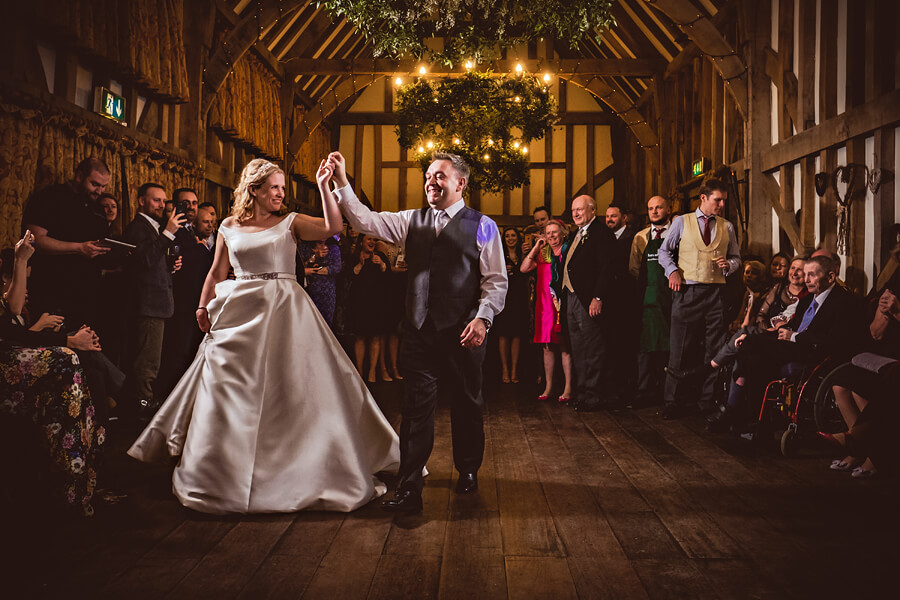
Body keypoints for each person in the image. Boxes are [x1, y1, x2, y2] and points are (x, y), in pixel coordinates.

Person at [128, 158, 399, 515]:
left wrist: (323, 185)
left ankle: (294, 469)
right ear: (253, 189)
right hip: (239, 312)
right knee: (226, 389)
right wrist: (201, 307)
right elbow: (215, 273)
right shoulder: (228, 226)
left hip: (286, 312)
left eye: (283, 189)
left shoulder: (290, 222)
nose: (280, 194)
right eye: (275, 187)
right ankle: (221, 472)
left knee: (291, 389)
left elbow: (334, 225)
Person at [329, 150, 507, 514]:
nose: (431, 181)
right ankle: (410, 485)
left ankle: (468, 469)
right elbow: (364, 221)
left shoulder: (484, 225)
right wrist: (342, 181)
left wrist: (483, 318)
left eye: (440, 176)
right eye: (428, 175)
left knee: (467, 403)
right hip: (419, 330)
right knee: (415, 410)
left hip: (463, 332)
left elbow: (496, 281)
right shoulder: (412, 220)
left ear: (460, 183)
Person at [658, 177, 742, 419]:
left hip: (716, 293)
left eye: (724, 200)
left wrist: (730, 266)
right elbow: (664, 252)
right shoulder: (681, 222)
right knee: (680, 348)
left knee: (714, 351)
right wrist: (672, 271)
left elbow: (736, 257)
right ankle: (673, 400)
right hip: (687, 293)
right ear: (703, 198)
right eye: (718, 200)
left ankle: (707, 400)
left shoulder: (726, 226)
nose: (722, 205)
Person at [22, 156, 111, 331]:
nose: (99, 191)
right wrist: (79, 248)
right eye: (94, 184)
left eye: (103, 186)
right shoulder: (50, 197)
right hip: (52, 288)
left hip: (86, 293)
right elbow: (34, 240)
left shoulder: (97, 208)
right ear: (79, 176)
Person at [121, 183, 185, 421]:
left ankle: (143, 404)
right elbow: (145, 258)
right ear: (141, 201)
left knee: (151, 362)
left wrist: (170, 267)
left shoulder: (153, 229)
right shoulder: (138, 228)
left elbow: (151, 262)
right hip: (146, 305)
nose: (161, 205)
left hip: (157, 304)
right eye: (156, 200)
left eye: (163, 200)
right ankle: (142, 410)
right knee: (145, 364)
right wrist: (168, 233)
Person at [561, 195, 618, 411]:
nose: (575, 214)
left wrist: (598, 297)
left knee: (593, 348)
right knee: (578, 348)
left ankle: (595, 395)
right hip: (572, 298)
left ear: (593, 210)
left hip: (588, 300)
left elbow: (607, 268)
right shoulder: (577, 234)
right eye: (574, 210)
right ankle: (583, 392)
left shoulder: (601, 234)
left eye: (580, 210)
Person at [629, 195, 673, 407]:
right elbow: (634, 270)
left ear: (668, 209)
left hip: (672, 299)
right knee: (645, 347)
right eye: (650, 208)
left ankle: (668, 392)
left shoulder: (679, 234)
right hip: (648, 300)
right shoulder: (640, 238)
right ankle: (645, 390)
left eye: (659, 208)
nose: (654, 212)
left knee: (670, 347)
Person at [521, 219, 572, 402]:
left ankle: (568, 388)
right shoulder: (544, 254)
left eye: (554, 232)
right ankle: (548, 386)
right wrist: (537, 246)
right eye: (547, 233)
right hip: (544, 306)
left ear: (563, 233)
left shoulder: (568, 252)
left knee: (564, 345)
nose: (550, 236)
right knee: (547, 346)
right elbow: (524, 268)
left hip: (560, 303)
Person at [346, 234, 391, 382]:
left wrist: (382, 265)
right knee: (360, 337)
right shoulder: (354, 256)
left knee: (375, 337)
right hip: (359, 303)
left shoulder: (380, 256)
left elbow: (388, 276)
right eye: (368, 239)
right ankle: (359, 372)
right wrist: (360, 264)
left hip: (377, 303)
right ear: (362, 242)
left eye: (373, 239)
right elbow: (348, 277)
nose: (372, 242)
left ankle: (372, 371)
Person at [494, 227, 529, 384]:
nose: (510, 238)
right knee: (503, 334)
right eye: (507, 236)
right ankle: (504, 369)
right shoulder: (499, 254)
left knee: (516, 334)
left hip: (520, 297)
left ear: (518, 237)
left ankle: (514, 369)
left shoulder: (523, 253)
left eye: (513, 235)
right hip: (503, 297)